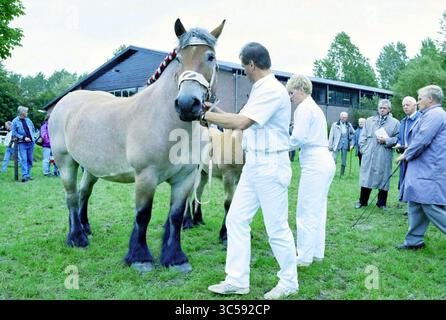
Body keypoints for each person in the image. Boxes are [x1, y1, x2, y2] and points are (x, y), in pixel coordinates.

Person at [206, 42, 298, 300]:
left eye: (244, 66)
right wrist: (210, 110)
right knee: (235, 219)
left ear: (251, 65)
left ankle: (289, 281)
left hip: (270, 165)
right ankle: (236, 280)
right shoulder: (260, 89)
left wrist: (207, 118)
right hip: (254, 165)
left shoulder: (271, 89)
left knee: (277, 228)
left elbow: (242, 122)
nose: (244, 70)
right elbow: (238, 117)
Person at [287, 74, 336, 267]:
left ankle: (304, 256)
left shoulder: (304, 108)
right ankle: (316, 252)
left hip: (315, 162)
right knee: (318, 209)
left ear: (300, 89)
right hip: (323, 160)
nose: (290, 97)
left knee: (306, 210)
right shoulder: (314, 107)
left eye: (291, 93)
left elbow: (297, 138)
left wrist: (278, 146)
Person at [396, 85, 446, 250]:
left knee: (430, 205)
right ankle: (414, 241)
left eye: (419, 98)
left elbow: (422, 139)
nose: (417, 102)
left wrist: (406, 154)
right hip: (422, 168)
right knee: (416, 202)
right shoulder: (431, 114)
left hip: (429, 169)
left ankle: (414, 240)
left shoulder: (436, 114)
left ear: (430, 99)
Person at [355, 99, 399, 210]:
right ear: (377, 108)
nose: (382, 110)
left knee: (384, 178)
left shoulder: (395, 123)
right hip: (369, 153)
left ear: (389, 109)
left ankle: (381, 203)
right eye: (380, 108)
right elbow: (362, 137)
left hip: (384, 154)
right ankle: (362, 201)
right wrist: (364, 150)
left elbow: (398, 139)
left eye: (384, 108)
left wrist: (387, 140)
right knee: (366, 178)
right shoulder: (369, 121)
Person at [395, 97, 420, 196]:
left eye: (407, 105)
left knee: (414, 181)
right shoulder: (403, 121)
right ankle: (408, 203)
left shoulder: (421, 119)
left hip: (416, 156)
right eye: (403, 105)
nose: (405, 107)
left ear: (415, 105)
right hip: (403, 156)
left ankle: (415, 205)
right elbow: (400, 137)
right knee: (404, 178)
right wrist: (398, 144)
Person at [11, 106, 36, 182]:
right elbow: (14, 132)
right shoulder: (15, 121)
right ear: (22, 113)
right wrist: (23, 137)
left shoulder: (28, 120)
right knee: (24, 159)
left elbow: (33, 129)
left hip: (31, 143)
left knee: (30, 160)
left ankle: (28, 174)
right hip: (22, 143)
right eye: (26, 112)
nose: (27, 113)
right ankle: (24, 175)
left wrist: (33, 137)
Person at [328, 112, 355, 176]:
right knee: (334, 159)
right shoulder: (335, 125)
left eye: (345, 117)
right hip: (336, 144)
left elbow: (354, 133)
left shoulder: (349, 125)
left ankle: (341, 174)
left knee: (344, 160)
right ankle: (332, 173)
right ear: (340, 117)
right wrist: (330, 145)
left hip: (345, 144)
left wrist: (350, 139)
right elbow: (331, 135)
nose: (344, 119)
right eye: (343, 117)